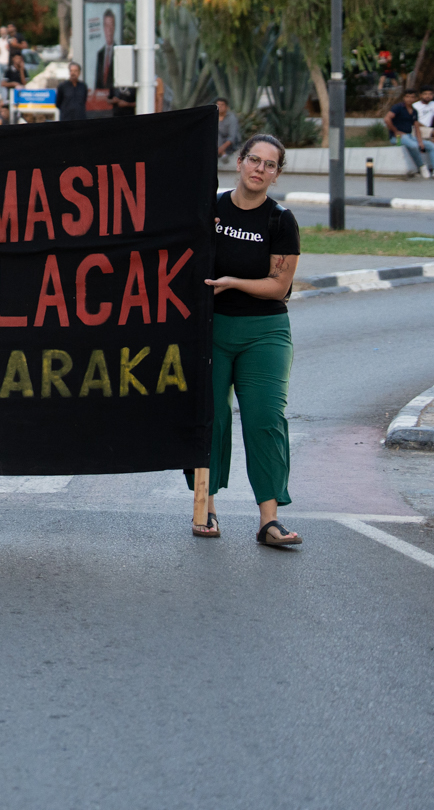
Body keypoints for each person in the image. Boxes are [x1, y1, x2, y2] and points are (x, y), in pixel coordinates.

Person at [191, 134, 303, 549]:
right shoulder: (211, 209)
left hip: (265, 333)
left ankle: (269, 521)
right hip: (211, 329)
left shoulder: (280, 220)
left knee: (265, 420)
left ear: (276, 175)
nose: (259, 169)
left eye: (269, 164)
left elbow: (279, 286)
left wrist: (233, 283)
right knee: (211, 418)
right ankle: (206, 507)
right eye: (253, 160)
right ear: (238, 163)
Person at [384, 94, 427, 177]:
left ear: (415, 98)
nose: (409, 99)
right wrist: (396, 131)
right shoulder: (398, 108)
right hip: (397, 137)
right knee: (414, 146)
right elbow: (387, 119)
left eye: (412, 97)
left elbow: (417, 128)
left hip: (409, 136)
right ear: (404, 98)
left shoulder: (414, 111)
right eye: (407, 97)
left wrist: (420, 141)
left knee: (431, 146)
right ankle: (421, 166)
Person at [214, 99, 241, 163]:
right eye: (218, 105)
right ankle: (223, 154)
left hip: (231, 144)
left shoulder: (231, 118)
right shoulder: (213, 117)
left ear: (226, 107)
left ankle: (223, 153)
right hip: (218, 142)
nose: (220, 107)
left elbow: (232, 137)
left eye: (222, 105)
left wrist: (221, 148)